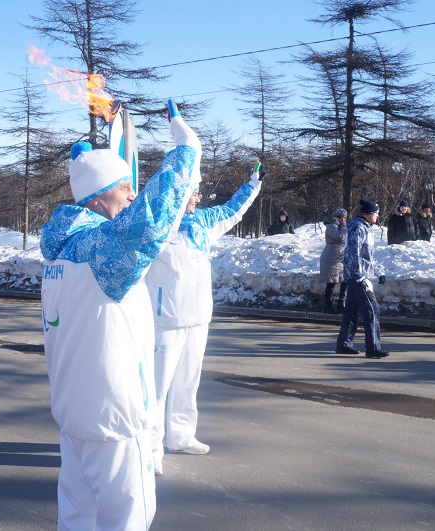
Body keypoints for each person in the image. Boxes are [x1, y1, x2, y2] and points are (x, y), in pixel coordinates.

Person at [39, 100, 200, 530]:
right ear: (97, 194)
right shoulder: (103, 252)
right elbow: (155, 214)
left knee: (77, 517)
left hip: (75, 420)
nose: (132, 192)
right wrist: (185, 142)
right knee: (128, 520)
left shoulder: (64, 249)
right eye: (125, 185)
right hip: (114, 422)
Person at [145, 163, 262, 476]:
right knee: (157, 389)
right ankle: (150, 449)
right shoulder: (155, 227)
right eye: (192, 192)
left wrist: (252, 185)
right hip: (165, 320)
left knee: (187, 382)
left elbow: (232, 210)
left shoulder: (202, 223)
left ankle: (180, 435)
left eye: (197, 192)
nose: (197, 198)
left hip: (197, 319)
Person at [335, 199, 390, 359]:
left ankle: (343, 344)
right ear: (368, 213)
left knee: (352, 311)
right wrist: (359, 275)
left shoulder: (365, 228)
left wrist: (378, 271)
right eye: (377, 213)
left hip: (358, 275)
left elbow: (368, 255)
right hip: (358, 276)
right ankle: (373, 347)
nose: (378, 216)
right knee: (372, 310)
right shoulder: (358, 227)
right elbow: (353, 252)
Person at [319, 208, 348, 313]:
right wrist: (344, 226)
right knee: (331, 282)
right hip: (332, 257)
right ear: (339, 218)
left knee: (345, 280)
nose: (345, 220)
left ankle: (341, 303)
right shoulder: (331, 226)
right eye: (344, 218)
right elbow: (341, 237)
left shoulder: (339, 226)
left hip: (340, 256)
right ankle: (328, 306)